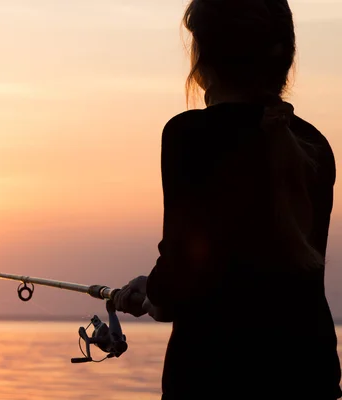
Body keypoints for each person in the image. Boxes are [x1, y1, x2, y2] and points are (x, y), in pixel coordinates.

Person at [112, 1, 342, 399]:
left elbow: (182, 275)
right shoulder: (314, 145)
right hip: (309, 373)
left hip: (213, 376)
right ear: (284, 55)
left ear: (203, 57)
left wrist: (152, 292)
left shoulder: (189, 135)